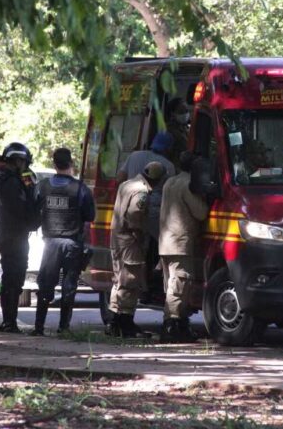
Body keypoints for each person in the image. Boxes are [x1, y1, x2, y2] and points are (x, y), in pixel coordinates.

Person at [31, 147, 95, 336]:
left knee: (45, 284)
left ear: (54, 164)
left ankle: (38, 327)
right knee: (69, 286)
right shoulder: (80, 188)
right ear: (71, 164)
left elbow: (33, 210)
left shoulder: (42, 186)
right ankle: (63, 328)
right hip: (72, 243)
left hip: (50, 243)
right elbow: (90, 215)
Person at [106, 161, 166, 338]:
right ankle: (125, 323)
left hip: (117, 238)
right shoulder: (142, 192)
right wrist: (140, 236)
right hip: (130, 242)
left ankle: (114, 322)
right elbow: (134, 217)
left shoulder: (127, 184)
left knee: (118, 280)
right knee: (130, 281)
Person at [158, 151, 209, 343]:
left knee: (171, 285)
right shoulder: (188, 184)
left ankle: (177, 324)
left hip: (165, 242)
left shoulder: (170, 182)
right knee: (178, 286)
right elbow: (201, 212)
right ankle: (171, 326)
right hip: (180, 242)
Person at [0, 142, 39, 333]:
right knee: (14, 279)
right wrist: (30, 189)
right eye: (24, 162)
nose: (26, 167)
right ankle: (9, 322)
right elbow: (24, 209)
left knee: (10, 277)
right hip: (15, 235)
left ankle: (9, 320)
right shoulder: (12, 183)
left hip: (4, 233)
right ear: (18, 161)